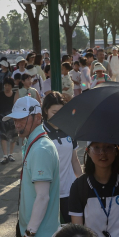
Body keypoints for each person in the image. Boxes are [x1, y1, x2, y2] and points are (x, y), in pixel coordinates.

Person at [7, 97, 59, 237]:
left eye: (22, 119)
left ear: (37, 117)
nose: (17, 124)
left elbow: (42, 198)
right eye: (15, 120)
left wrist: (29, 234)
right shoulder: (34, 142)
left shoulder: (40, 148)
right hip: (40, 235)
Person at [42, 93, 81, 225]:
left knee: (72, 228)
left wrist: (82, 182)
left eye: (61, 111)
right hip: (49, 192)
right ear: (45, 111)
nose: (58, 116)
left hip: (70, 188)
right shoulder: (41, 132)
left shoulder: (69, 128)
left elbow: (74, 160)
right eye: (54, 112)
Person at [0, 78, 19, 163]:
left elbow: (18, 107)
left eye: (8, 85)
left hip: (13, 119)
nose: (6, 87)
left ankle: (10, 154)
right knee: (3, 136)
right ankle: (5, 155)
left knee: (13, 137)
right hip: (2, 119)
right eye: (5, 85)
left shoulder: (15, 94)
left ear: (12, 86)